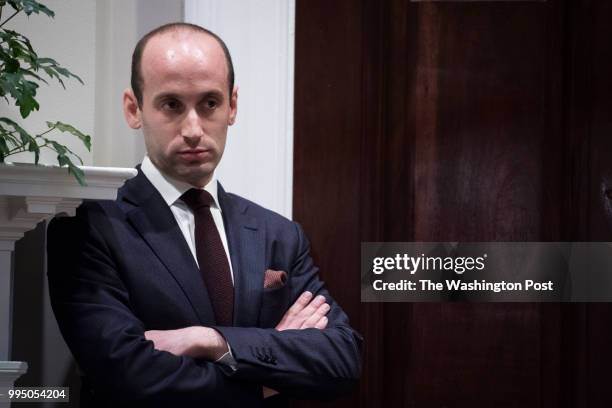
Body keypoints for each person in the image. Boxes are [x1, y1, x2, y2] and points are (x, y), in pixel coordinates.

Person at [46, 22, 362, 408]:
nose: (193, 129)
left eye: (209, 103)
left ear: (232, 106)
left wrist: (212, 340)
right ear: (134, 108)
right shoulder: (86, 226)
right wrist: (269, 375)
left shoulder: (278, 234)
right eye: (172, 105)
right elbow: (127, 377)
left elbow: (342, 358)